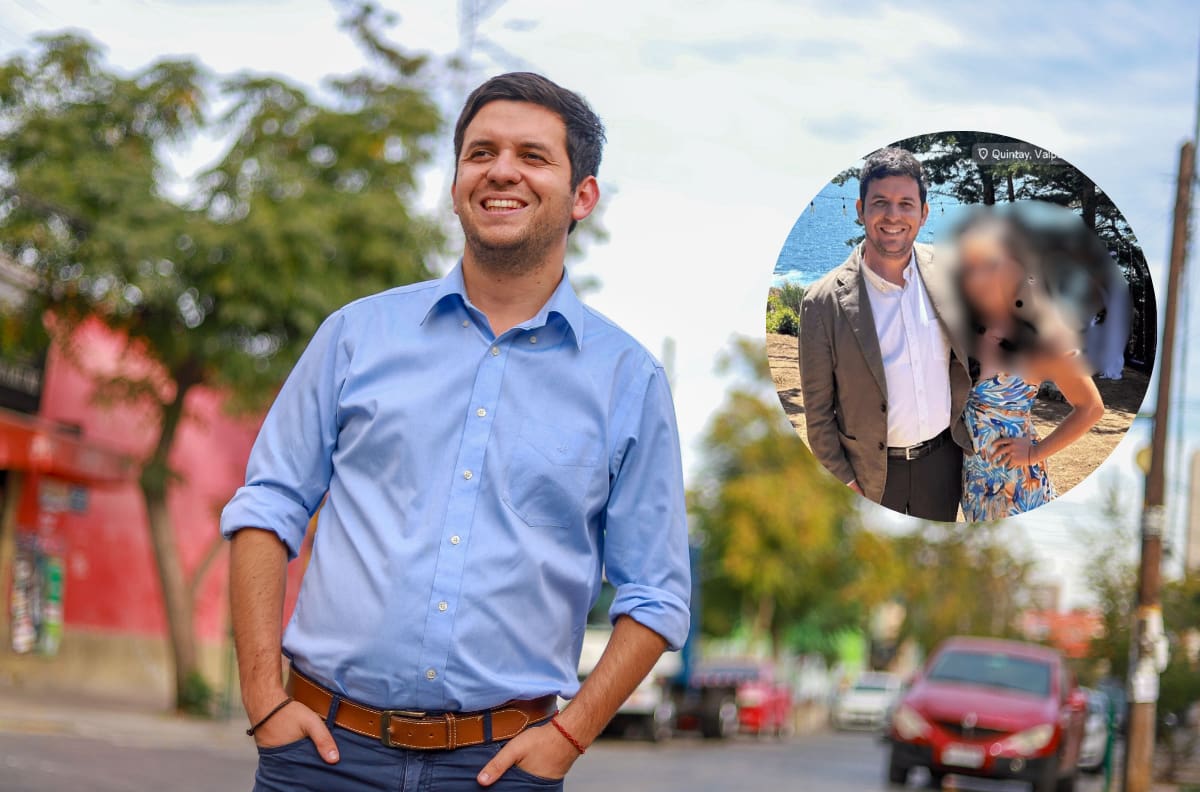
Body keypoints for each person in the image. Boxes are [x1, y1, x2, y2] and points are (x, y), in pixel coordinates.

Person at [221, 72, 691, 792]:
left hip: (497, 770)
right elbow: (267, 506)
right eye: (481, 153)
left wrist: (566, 738)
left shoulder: (629, 382)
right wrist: (263, 699)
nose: (502, 170)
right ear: (456, 182)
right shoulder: (356, 336)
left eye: (533, 156)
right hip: (320, 758)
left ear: (582, 197)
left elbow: (655, 594)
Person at [798, 148, 973, 521]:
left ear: (923, 214)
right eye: (881, 202)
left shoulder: (951, 273)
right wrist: (849, 485)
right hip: (871, 477)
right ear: (861, 210)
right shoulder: (822, 302)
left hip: (944, 464)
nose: (893, 216)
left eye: (905, 204)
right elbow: (817, 416)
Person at [954, 210, 1105, 521]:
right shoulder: (966, 328)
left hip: (1020, 486)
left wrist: (1036, 452)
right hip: (975, 484)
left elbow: (1091, 408)